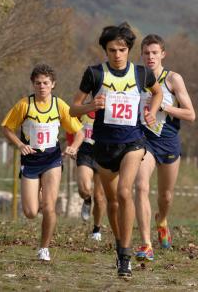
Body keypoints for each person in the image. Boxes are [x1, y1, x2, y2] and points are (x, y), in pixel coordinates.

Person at [69, 23, 163, 277]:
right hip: (104, 146)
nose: (117, 54)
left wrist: (151, 113)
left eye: (122, 49)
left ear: (128, 49)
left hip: (133, 142)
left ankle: (126, 254)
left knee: (124, 192)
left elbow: (157, 93)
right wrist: (91, 105)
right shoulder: (94, 74)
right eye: (112, 50)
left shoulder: (141, 73)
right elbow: (72, 109)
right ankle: (121, 246)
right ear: (105, 50)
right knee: (111, 202)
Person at [1, 64, 83, 261]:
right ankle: (37, 192)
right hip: (30, 161)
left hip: (52, 159)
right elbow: (6, 128)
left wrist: (74, 147)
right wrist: (20, 145)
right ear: (33, 84)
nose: (42, 87)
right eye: (37, 83)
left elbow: (78, 131)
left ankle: (44, 248)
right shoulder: (24, 105)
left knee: (49, 206)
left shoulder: (59, 105)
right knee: (30, 212)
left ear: (53, 84)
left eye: (46, 83)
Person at [135, 34, 196, 261]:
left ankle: (161, 220)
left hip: (168, 140)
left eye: (154, 52)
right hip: (143, 140)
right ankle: (146, 244)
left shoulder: (173, 79)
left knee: (166, 196)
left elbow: (191, 114)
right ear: (141, 55)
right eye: (146, 53)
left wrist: (164, 107)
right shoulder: (136, 77)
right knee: (141, 186)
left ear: (163, 54)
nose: (150, 57)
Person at [72, 111, 106, 241]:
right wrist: (73, 146)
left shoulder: (109, 110)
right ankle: (87, 200)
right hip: (85, 152)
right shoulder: (82, 110)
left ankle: (96, 229)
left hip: (103, 153)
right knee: (84, 188)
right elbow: (72, 128)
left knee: (99, 197)